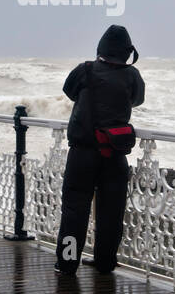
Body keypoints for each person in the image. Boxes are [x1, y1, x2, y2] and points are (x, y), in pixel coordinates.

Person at [53, 25, 145, 277]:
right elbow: (137, 100)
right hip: (115, 153)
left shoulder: (84, 70)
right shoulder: (132, 76)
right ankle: (105, 262)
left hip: (83, 153)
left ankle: (68, 262)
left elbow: (68, 91)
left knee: (74, 210)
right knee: (111, 212)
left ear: (101, 48)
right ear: (127, 52)